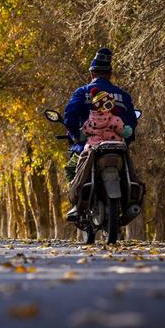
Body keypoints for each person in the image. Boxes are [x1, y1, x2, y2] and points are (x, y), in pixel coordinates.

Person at [62, 47, 139, 220]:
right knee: (132, 171)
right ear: (110, 74)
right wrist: (128, 138)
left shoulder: (82, 92)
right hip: (118, 146)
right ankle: (133, 201)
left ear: (92, 73)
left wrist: (75, 135)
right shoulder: (123, 95)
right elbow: (132, 123)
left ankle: (75, 204)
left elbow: (70, 116)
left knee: (71, 167)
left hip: (88, 146)